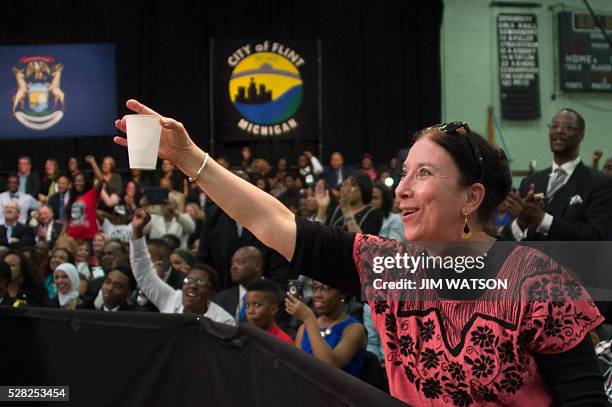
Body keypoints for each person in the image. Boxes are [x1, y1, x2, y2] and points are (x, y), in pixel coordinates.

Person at [114, 100, 606, 405]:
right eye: (404, 173)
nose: (403, 190)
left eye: (424, 175)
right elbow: (274, 221)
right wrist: (189, 159)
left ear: (472, 198)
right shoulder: (391, 267)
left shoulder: (539, 283)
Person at [504, 108, 612, 241]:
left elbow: (598, 236)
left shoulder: (599, 183)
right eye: (554, 126)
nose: (559, 131)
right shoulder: (531, 182)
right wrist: (521, 221)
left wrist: (543, 219)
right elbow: (508, 242)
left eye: (568, 127)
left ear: (581, 135)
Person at [129, 208, 235, 325]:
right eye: (188, 280)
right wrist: (137, 231)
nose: (192, 286)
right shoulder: (172, 299)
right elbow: (144, 275)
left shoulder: (224, 321)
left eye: (200, 283)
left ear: (212, 294)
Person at [285, 280, 367, 377]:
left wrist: (309, 319)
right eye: (315, 288)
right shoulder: (304, 328)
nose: (317, 295)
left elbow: (330, 367)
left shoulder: (354, 329)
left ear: (342, 293)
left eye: (325, 288)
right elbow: (296, 368)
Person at [317, 171, 383, 235]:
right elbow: (319, 236)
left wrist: (347, 211)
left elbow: (363, 243)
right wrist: (322, 208)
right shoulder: (336, 210)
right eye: (345, 184)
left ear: (364, 187)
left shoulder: (373, 214)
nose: (347, 188)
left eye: (353, 184)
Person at [214, 246, 264, 323]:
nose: (233, 267)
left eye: (240, 262)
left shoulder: (277, 297)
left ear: (257, 266)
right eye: (232, 263)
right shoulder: (221, 298)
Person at [63, 156, 105, 242]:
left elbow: (100, 179)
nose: (78, 183)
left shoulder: (92, 194)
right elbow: (67, 221)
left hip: (89, 238)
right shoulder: (72, 198)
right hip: (72, 239)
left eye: (81, 181)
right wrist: (62, 236)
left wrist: (93, 162)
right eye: (76, 181)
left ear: (85, 182)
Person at [245, 278, 292, 345]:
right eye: (247, 305)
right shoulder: (243, 337)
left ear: (273, 309)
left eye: (256, 305)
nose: (250, 311)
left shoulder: (283, 342)